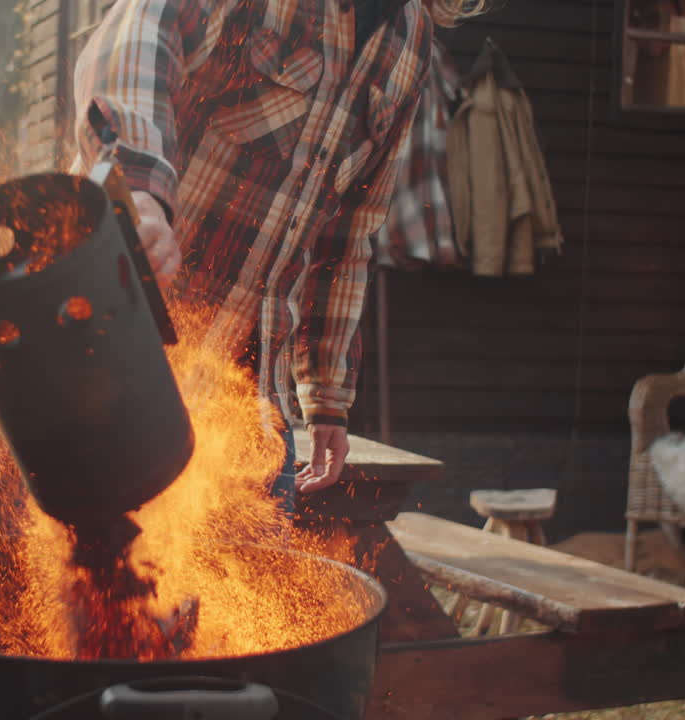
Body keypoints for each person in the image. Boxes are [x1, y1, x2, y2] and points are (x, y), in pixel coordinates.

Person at [72, 0, 485, 501]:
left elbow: (350, 230)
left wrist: (327, 395)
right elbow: (137, 38)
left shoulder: (410, 39)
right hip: (106, 352)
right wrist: (137, 189)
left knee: (250, 576)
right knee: (36, 571)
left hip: (249, 397)